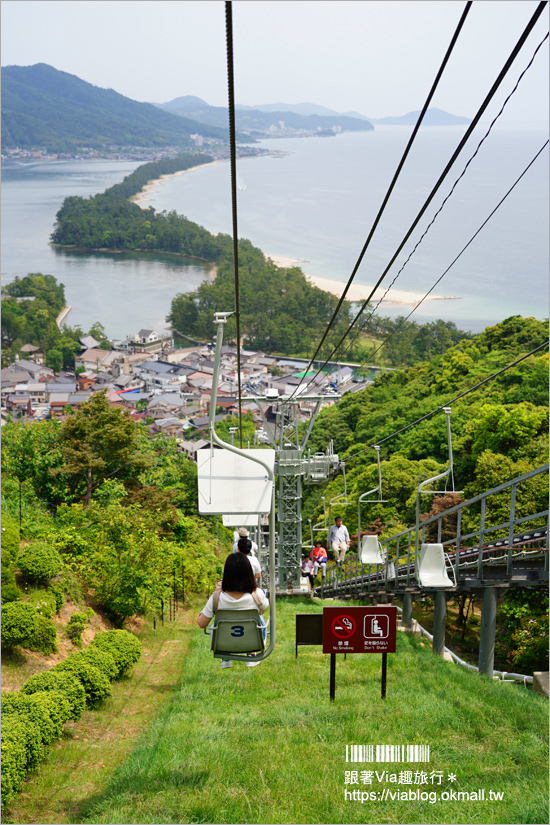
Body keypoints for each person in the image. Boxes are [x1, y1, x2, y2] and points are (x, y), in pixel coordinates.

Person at [198, 553, 268, 669]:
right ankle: (251, 654)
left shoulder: (217, 598)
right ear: (249, 573)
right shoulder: (257, 595)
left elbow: (201, 623)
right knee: (259, 619)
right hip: (252, 644)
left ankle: (226, 655)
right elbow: (262, 611)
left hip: (223, 645)